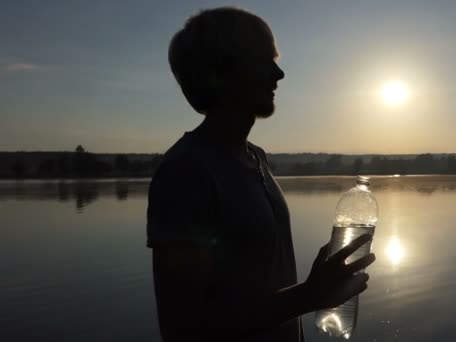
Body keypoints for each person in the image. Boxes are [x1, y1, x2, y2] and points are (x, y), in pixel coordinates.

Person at [146, 7, 376, 342]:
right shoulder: (186, 172)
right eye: (264, 60)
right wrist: (309, 295)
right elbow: (183, 328)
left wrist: (316, 289)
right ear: (222, 72)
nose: (279, 74)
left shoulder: (257, 158)